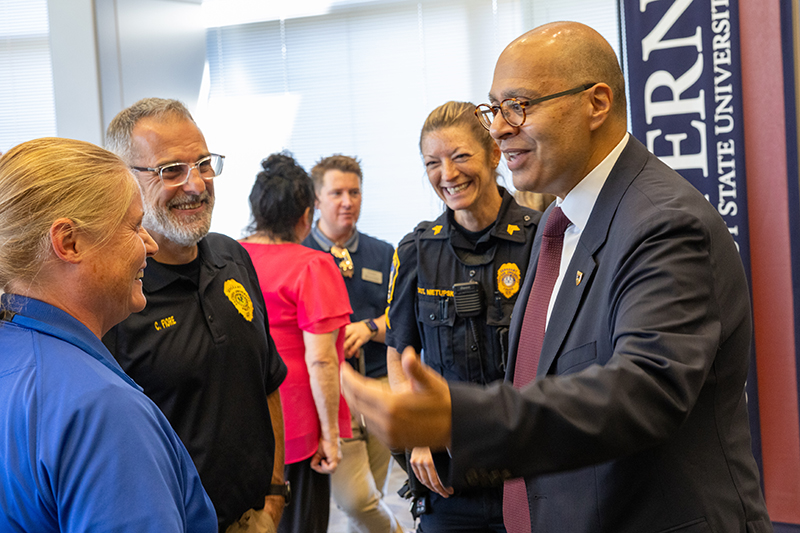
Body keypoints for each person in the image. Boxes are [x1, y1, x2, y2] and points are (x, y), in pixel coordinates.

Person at [341, 21, 773, 533]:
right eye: (494, 109)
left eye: (519, 106)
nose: (499, 129)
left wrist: (463, 417)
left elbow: (644, 391)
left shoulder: (662, 221)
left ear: (596, 104)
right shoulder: (559, 222)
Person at [0, 137, 216, 532]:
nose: (149, 244)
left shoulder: (16, 361)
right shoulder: (100, 410)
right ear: (69, 242)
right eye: (134, 226)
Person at [103, 98, 289, 533]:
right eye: (171, 171)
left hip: (258, 517)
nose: (196, 185)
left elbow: (267, 381)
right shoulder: (114, 296)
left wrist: (275, 496)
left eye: (203, 163)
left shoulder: (232, 257)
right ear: (123, 179)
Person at [385, 101, 539, 533]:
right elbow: (400, 351)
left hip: (529, 468)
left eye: (460, 156)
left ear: (494, 155)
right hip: (448, 481)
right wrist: (417, 431)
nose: (447, 174)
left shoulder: (542, 238)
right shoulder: (416, 249)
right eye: (432, 163)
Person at [240, 152, 353, 533]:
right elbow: (321, 361)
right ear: (306, 214)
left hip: (241, 424)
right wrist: (331, 435)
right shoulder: (312, 266)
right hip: (295, 428)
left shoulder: (228, 257)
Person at [302, 154, 404, 533]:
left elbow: (403, 315)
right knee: (356, 499)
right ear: (316, 200)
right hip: (331, 388)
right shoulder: (302, 255)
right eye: (337, 193)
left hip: (378, 385)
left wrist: (371, 327)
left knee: (370, 495)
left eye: (355, 192)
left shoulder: (384, 252)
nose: (348, 201)